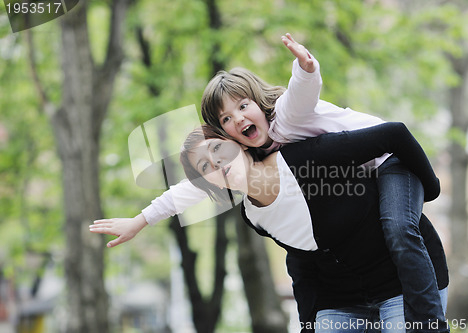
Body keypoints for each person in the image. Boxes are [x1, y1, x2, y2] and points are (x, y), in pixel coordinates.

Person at [90, 33, 446, 331]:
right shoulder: (251, 194)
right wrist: (140, 221)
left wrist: (306, 68)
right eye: (226, 119)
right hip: (351, 292)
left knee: (399, 228)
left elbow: (304, 94)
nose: (238, 119)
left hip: (392, 162)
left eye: (243, 107)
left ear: (257, 102)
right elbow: (299, 259)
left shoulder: (288, 125)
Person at [178, 122, 449, 333]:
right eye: (204, 167)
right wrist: (309, 324)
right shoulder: (252, 215)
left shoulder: (305, 157)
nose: (215, 163)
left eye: (216, 148)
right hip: (341, 300)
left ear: (238, 143)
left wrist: (430, 189)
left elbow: (395, 134)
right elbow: (301, 259)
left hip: (401, 283)